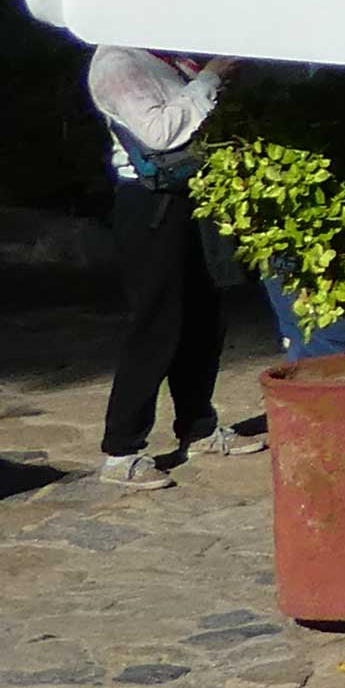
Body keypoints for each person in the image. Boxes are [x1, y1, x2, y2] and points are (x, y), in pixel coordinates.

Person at [89, 44, 259, 488]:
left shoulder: (166, 57)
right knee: (157, 325)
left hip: (190, 198)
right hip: (150, 207)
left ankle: (198, 427)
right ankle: (121, 450)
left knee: (205, 318)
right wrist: (210, 79)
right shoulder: (117, 64)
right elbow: (159, 133)